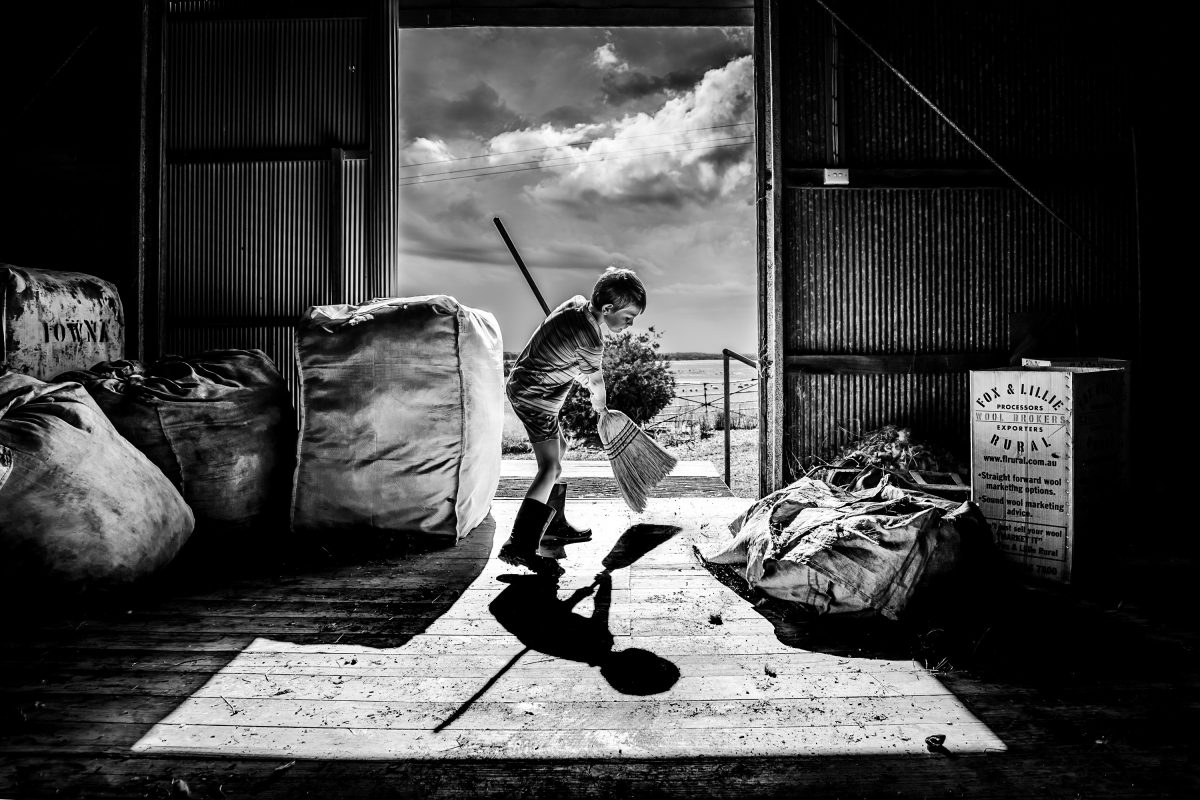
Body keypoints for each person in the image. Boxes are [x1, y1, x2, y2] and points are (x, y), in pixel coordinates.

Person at [499, 266, 646, 577]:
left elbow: (561, 349)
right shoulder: (592, 341)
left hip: (527, 385)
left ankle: (553, 525)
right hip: (534, 396)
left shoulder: (574, 304)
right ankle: (519, 545)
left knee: (560, 448)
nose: (630, 324)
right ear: (608, 309)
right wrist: (602, 409)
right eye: (629, 317)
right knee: (550, 467)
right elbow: (596, 383)